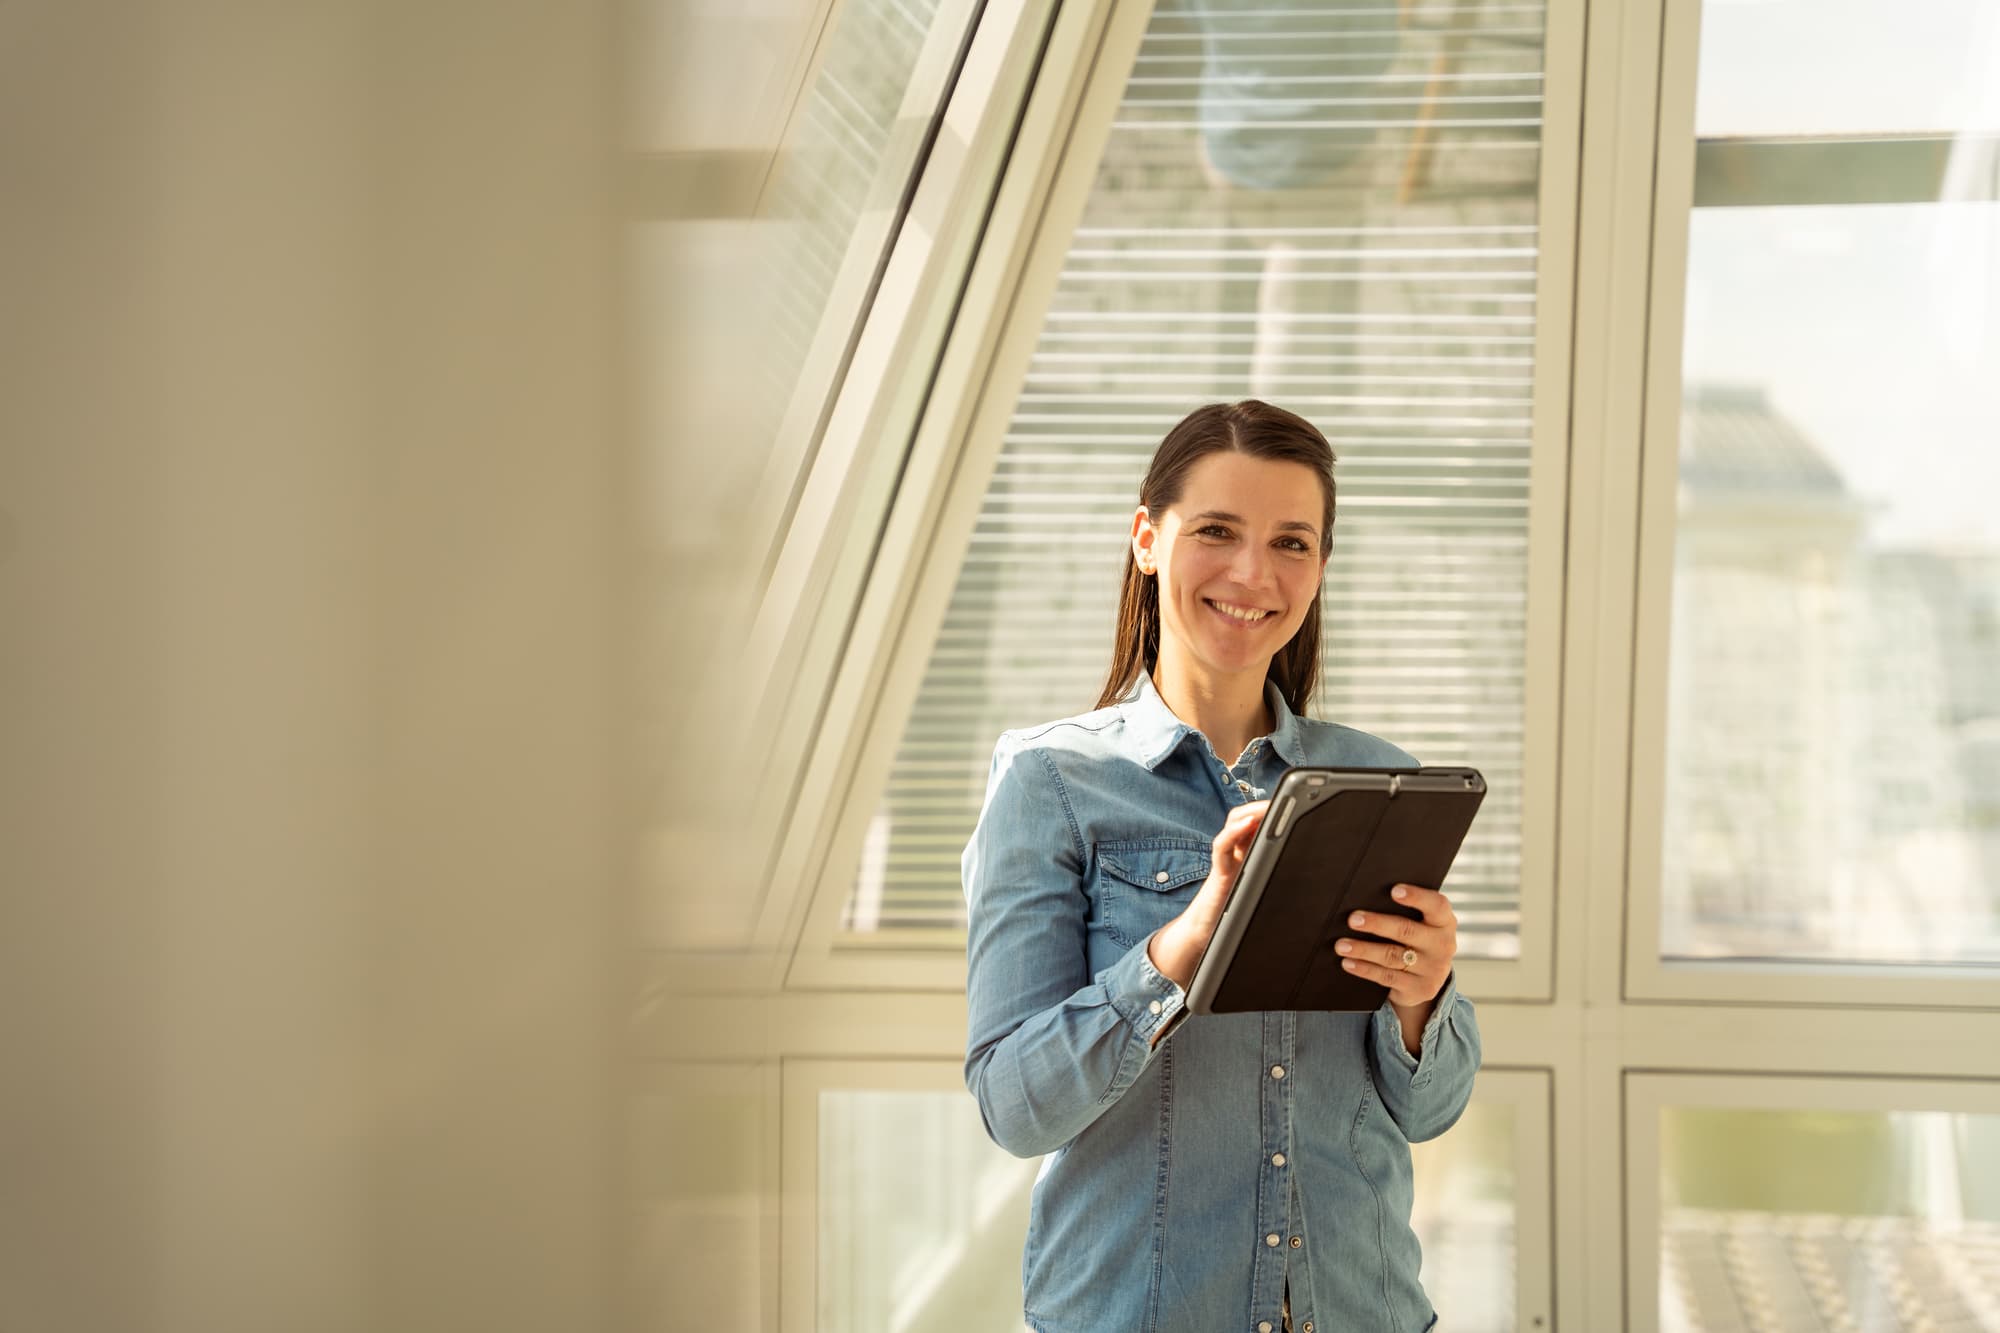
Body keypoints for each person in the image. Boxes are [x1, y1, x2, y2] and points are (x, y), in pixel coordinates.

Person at [962, 399, 1478, 1333]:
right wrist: (1184, 945)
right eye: (1217, 531)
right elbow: (1013, 1106)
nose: (1254, 572)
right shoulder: (1051, 781)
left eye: (1292, 542)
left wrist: (1422, 998)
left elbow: (1431, 1108)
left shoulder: (1378, 780)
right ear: (1146, 540)